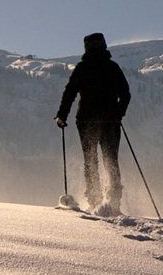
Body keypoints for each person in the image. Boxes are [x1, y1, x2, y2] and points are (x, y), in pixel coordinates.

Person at [56, 33, 131, 215]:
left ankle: (95, 200)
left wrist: (62, 116)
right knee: (110, 159)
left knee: (90, 160)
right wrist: (118, 113)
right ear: (104, 45)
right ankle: (113, 203)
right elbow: (125, 94)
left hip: (86, 120)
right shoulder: (112, 67)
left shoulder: (82, 68)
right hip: (110, 121)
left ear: (86, 48)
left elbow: (70, 92)